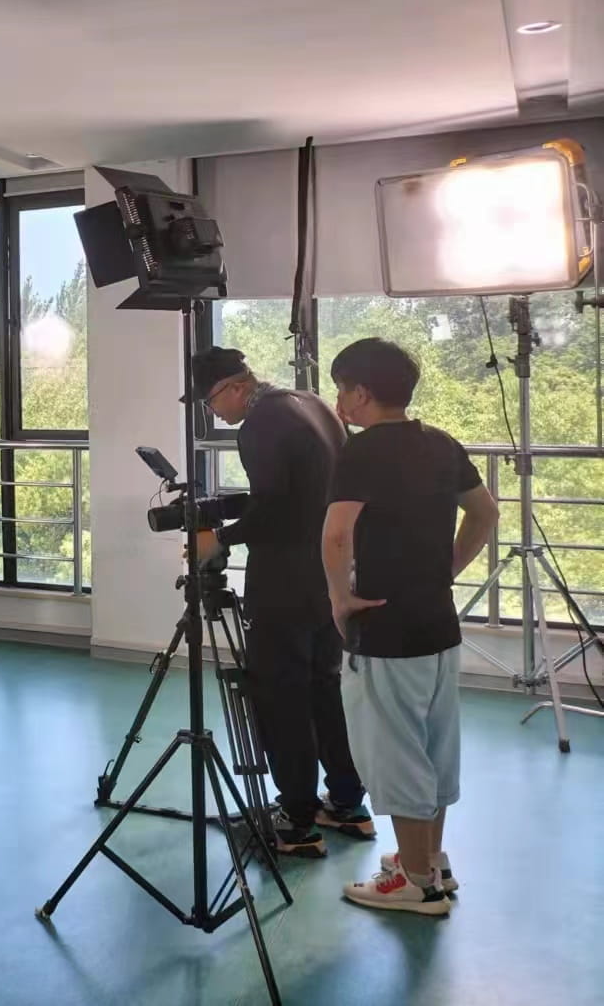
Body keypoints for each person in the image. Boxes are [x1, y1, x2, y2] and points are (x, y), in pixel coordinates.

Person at [322, 337, 497, 916]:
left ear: (361, 393)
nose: (339, 401)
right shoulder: (440, 443)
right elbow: (485, 512)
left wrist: (339, 599)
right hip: (437, 624)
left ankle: (416, 883)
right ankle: (430, 862)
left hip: (386, 628)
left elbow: (337, 534)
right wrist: (446, 569)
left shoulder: (361, 452)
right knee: (434, 747)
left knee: (395, 754)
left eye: (341, 389)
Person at [187, 346, 370, 858]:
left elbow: (275, 509)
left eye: (210, 401)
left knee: (282, 696)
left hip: (284, 582)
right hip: (329, 572)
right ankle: (348, 803)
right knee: (324, 687)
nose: (213, 412)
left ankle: (296, 820)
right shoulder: (312, 403)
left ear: (236, 386)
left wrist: (219, 539)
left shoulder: (260, 424)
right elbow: (307, 492)